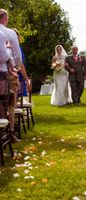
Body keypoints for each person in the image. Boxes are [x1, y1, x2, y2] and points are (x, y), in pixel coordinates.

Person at [0, 9, 30, 141]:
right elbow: (17, 56)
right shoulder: (9, 33)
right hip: (6, 72)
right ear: (5, 19)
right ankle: (10, 133)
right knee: (10, 103)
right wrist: (15, 67)